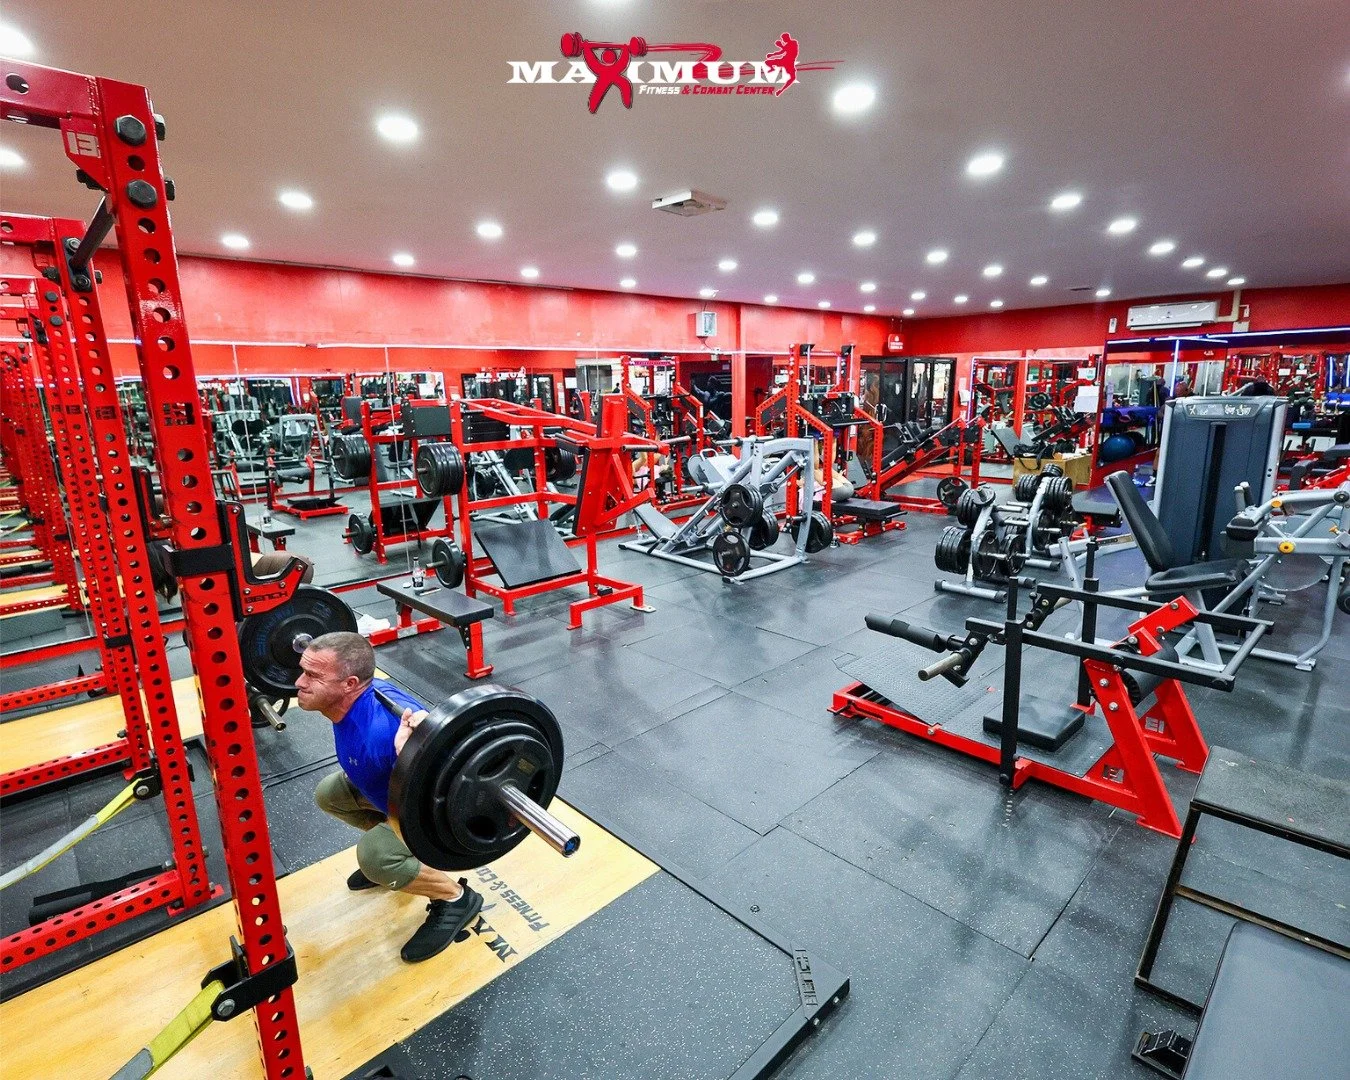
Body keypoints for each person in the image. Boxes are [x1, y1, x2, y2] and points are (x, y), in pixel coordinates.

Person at [297, 631, 483, 962]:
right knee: (330, 794)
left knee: (375, 856)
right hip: (390, 791)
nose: (299, 682)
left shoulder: (383, 734)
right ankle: (400, 857)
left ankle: (455, 898)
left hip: (433, 813)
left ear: (349, 684)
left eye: (312, 675)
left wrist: (413, 751)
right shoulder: (363, 696)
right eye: (303, 670)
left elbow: (446, 787)